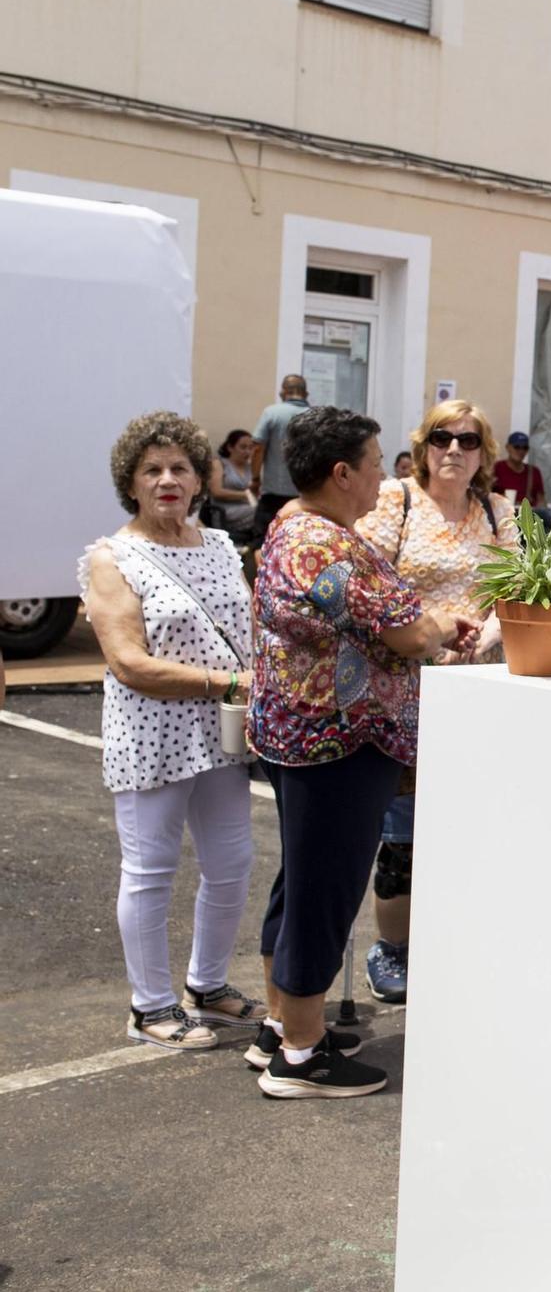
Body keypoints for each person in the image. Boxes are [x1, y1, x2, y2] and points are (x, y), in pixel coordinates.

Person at [249, 406, 475, 1098]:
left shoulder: (290, 523)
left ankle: (282, 1021)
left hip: (296, 733)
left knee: (301, 882)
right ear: (342, 472)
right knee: (325, 891)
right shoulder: (329, 545)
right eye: (376, 461)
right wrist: (441, 626)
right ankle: (302, 1054)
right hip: (339, 743)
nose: (386, 472)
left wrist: (428, 625)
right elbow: (406, 633)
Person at [79, 412, 265, 1051]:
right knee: (151, 868)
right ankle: (150, 1006)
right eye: (151, 470)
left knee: (232, 863)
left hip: (222, 733)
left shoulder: (216, 545)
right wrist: (228, 685)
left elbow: (245, 631)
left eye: (179, 468)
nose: (167, 480)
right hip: (153, 734)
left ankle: (206, 987)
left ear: (197, 480)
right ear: (130, 483)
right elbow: (128, 663)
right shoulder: (112, 557)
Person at [354, 400, 519, 1004]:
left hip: (477, 691)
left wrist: (495, 628)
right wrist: (431, 631)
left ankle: (455, 937)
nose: (455, 450)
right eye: (442, 438)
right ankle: (392, 950)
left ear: (484, 453)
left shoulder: (498, 513)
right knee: (402, 832)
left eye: (468, 441)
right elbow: (364, 584)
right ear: (423, 446)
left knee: (470, 821)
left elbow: (520, 587)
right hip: (406, 689)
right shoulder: (395, 502)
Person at [248, 374, 313, 546]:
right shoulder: (316, 417)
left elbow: (257, 449)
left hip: (273, 493)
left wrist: (255, 479)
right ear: (306, 394)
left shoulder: (271, 413)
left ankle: (263, 573)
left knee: (263, 541)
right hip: (306, 495)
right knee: (299, 543)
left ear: (282, 392)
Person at [204, 428, 259, 543]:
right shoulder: (219, 463)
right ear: (230, 447)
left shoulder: (250, 467)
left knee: (268, 510)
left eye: (250, 448)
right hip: (225, 511)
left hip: (248, 508)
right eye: (243, 447)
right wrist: (245, 495)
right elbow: (216, 491)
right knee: (262, 512)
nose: (247, 452)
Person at [493, 430, 549, 523]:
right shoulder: (497, 468)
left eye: (524, 448)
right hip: (503, 518)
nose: (521, 451)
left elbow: (541, 501)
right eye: (517, 447)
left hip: (527, 520)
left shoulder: (534, 472)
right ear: (508, 447)